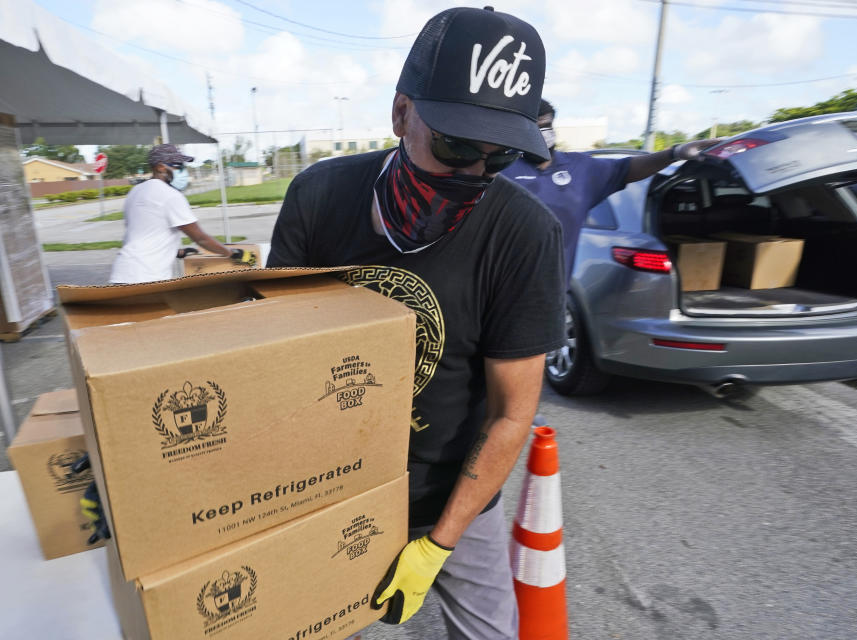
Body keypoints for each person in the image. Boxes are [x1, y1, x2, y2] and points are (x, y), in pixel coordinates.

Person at [266, 7, 564, 639]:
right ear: (401, 112)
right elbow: (268, 356)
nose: (473, 173)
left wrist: (439, 544)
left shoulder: (524, 234)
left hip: (452, 496)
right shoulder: (321, 197)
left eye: (500, 155)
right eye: (455, 144)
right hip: (325, 487)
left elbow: (513, 413)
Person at [501, 99, 721, 285]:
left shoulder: (580, 169)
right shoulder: (503, 170)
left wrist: (675, 153)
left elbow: (628, 168)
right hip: (503, 290)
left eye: (547, 125)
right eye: (537, 126)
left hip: (553, 295)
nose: (544, 132)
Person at [108, 143, 253, 283]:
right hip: (147, 276)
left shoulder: (136, 191)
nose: (183, 170)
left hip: (122, 272)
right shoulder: (170, 195)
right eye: (178, 165)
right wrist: (232, 253)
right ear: (160, 167)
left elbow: (144, 233)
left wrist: (178, 252)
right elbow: (200, 238)